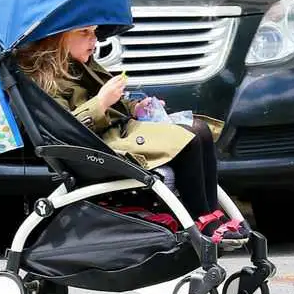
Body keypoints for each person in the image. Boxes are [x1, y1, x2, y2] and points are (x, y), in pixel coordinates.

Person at [16, 25, 248, 241]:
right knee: (190, 137)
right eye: (85, 33)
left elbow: (115, 107)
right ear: (58, 38)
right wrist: (101, 102)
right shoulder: (45, 81)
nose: (94, 40)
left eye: (95, 33)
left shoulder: (81, 64)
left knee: (200, 129)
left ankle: (210, 213)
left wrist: (134, 107)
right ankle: (199, 216)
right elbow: (65, 130)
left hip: (119, 132)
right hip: (100, 147)